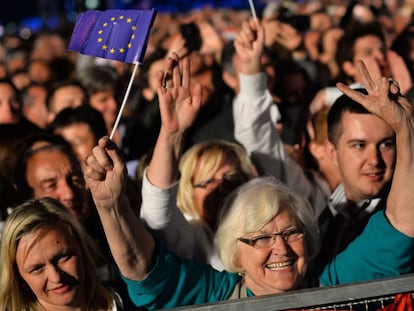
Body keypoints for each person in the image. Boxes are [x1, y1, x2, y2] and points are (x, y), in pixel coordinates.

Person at [83, 57, 414, 310]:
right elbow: (144, 270)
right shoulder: (216, 294)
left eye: (291, 233)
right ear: (235, 251)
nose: (281, 249)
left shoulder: (332, 285)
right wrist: (110, 206)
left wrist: (405, 131)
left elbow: (401, 226)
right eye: (260, 238)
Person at [139, 52, 257, 270]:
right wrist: (171, 134)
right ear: (186, 193)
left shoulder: (268, 225)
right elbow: (157, 214)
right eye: (206, 182)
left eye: (230, 176)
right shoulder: (192, 239)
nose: (221, 188)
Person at [0, 197, 118, 310]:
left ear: (81, 248)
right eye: (37, 269)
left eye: (63, 257)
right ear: (19, 278)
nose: (56, 277)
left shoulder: (123, 300)